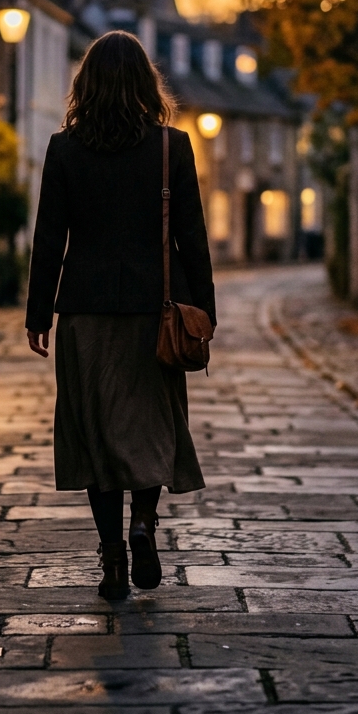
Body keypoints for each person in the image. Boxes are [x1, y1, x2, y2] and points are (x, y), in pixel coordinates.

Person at [25, 30, 216, 600]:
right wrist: (203, 309)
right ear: (144, 84)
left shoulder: (64, 149)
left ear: (85, 85)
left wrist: (39, 312)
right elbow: (192, 239)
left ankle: (110, 551)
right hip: (153, 312)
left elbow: (48, 239)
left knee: (95, 433)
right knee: (149, 427)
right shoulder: (171, 147)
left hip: (85, 314)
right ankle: (143, 525)